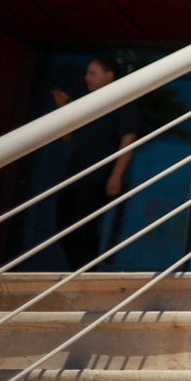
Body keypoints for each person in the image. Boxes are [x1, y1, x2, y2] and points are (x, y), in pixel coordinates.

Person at [51, 56, 139, 269]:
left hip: (97, 179)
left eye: (93, 73)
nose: (86, 77)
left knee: (83, 231)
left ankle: (84, 275)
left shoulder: (121, 100)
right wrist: (65, 109)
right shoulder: (86, 102)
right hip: (75, 176)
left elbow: (129, 137)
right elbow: (68, 137)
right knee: (64, 229)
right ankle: (80, 273)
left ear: (110, 75)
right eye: (87, 73)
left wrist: (116, 175)